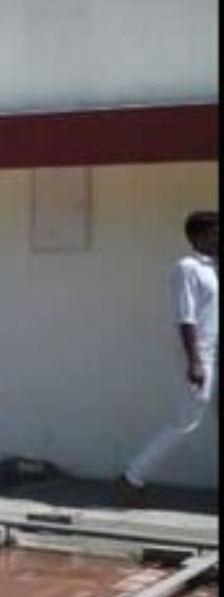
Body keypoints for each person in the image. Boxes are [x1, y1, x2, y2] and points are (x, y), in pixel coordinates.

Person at [118, 211, 219, 503]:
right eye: (216, 232)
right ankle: (131, 478)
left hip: (216, 353)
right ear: (200, 235)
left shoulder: (213, 268)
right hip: (202, 355)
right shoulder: (187, 268)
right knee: (187, 421)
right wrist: (195, 361)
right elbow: (185, 318)